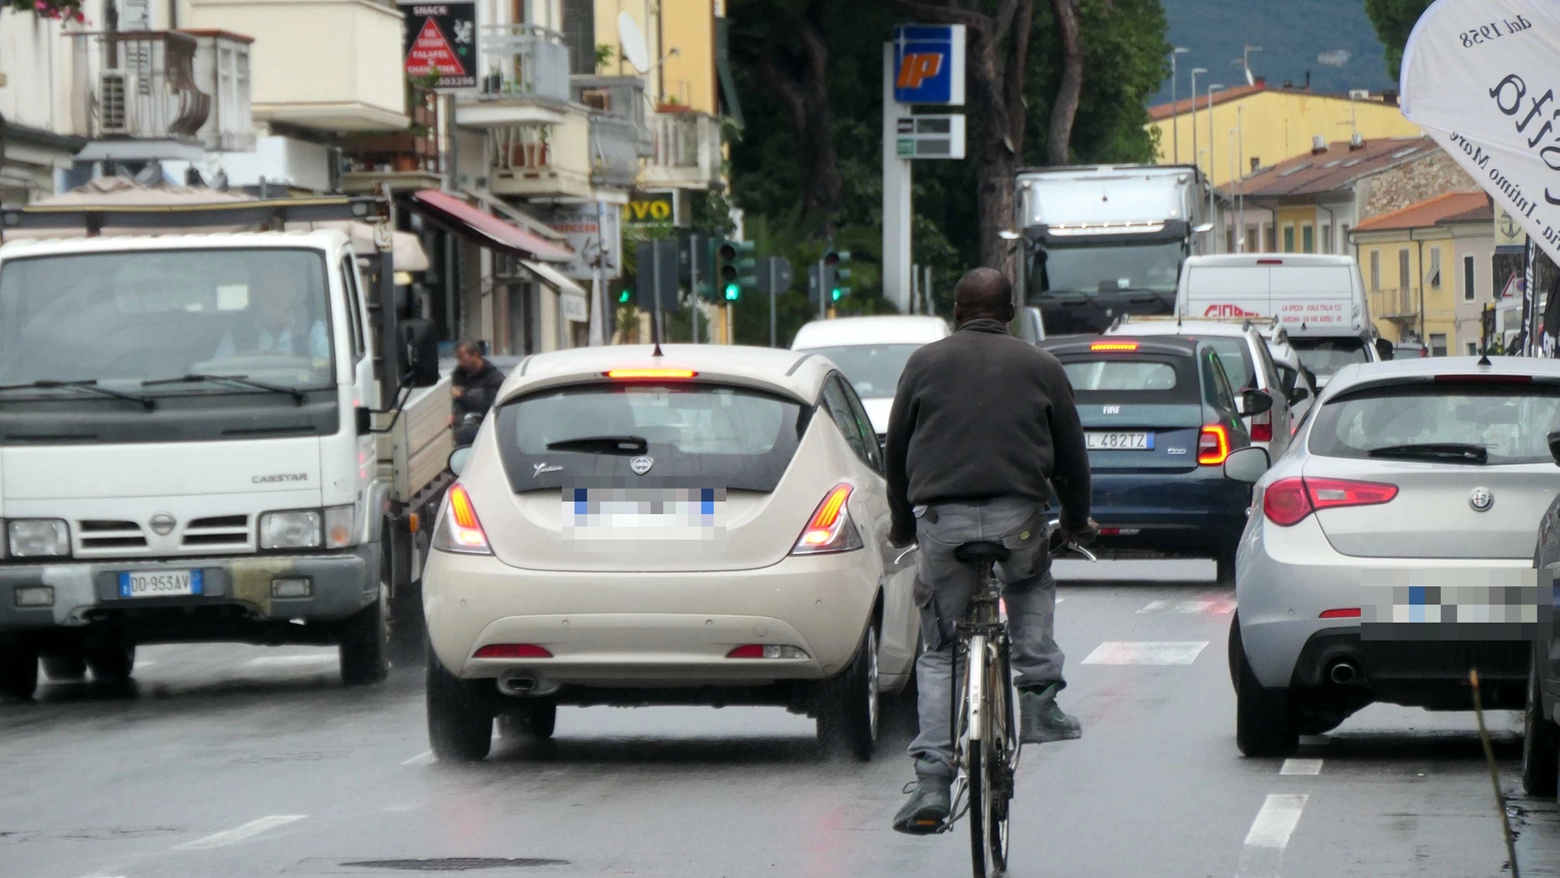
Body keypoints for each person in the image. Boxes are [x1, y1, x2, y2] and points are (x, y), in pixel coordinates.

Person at [884, 267, 1098, 836]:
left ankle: (932, 778)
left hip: (942, 522)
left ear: (956, 311)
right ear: (1008, 313)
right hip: (1018, 519)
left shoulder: (923, 364)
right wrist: (1075, 522)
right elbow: (1072, 458)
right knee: (1029, 584)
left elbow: (897, 450)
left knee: (939, 649)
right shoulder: (1042, 366)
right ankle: (1036, 699)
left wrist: (904, 525)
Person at [214, 263, 329, 361]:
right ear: (256, 297)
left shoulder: (310, 327)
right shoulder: (237, 332)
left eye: (280, 289)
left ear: (293, 295)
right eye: (267, 290)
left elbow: (326, 364)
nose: (274, 297)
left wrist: (310, 365)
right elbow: (217, 370)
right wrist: (240, 359)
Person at [452, 340, 506, 446]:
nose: (460, 362)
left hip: (483, 430)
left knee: (467, 433)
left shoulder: (494, 378)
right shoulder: (458, 375)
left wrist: (461, 396)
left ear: (475, 355)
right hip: (458, 425)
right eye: (458, 358)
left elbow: (488, 405)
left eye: (462, 357)